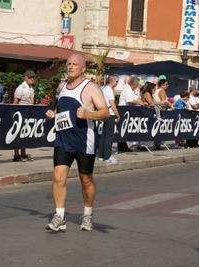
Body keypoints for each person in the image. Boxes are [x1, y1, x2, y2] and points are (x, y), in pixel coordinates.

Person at [45, 54, 109, 231]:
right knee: (58, 177)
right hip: (63, 139)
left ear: (83, 68)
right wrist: (53, 114)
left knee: (85, 179)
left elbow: (105, 113)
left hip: (84, 141)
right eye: (68, 64)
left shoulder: (91, 88)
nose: (70, 67)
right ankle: (60, 216)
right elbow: (61, 108)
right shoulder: (62, 86)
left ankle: (87, 214)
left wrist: (88, 115)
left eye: (75, 64)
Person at [12, 70, 36, 162]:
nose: (32, 79)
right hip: (20, 113)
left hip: (28, 113)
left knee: (25, 133)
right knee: (18, 133)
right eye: (30, 77)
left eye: (33, 77)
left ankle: (23, 153)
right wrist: (13, 113)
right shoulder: (20, 88)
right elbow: (16, 101)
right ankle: (16, 154)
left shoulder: (31, 88)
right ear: (25, 77)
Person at [97, 74, 120, 163]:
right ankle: (107, 156)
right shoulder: (109, 90)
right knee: (109, 136)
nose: (117, 83)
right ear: (112, 81)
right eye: (116, 81)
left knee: (103, 135)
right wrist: (117, 114)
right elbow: (112, 104)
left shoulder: (102, 88)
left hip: (103, 112)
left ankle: (101, 155)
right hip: (109, 113)